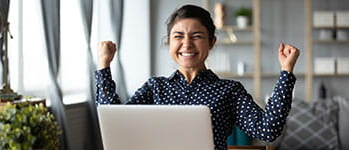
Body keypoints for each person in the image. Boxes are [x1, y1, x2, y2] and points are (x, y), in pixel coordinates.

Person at [95, 4, 299, 150]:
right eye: (178, 36)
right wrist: (104, 66)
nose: (187, 44)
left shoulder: (229, 90)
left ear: (211, 42)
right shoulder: (155, 87)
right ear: (169, 43)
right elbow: (117, 123)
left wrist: (286, 72)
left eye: (197, 36)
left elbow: (268, 130)